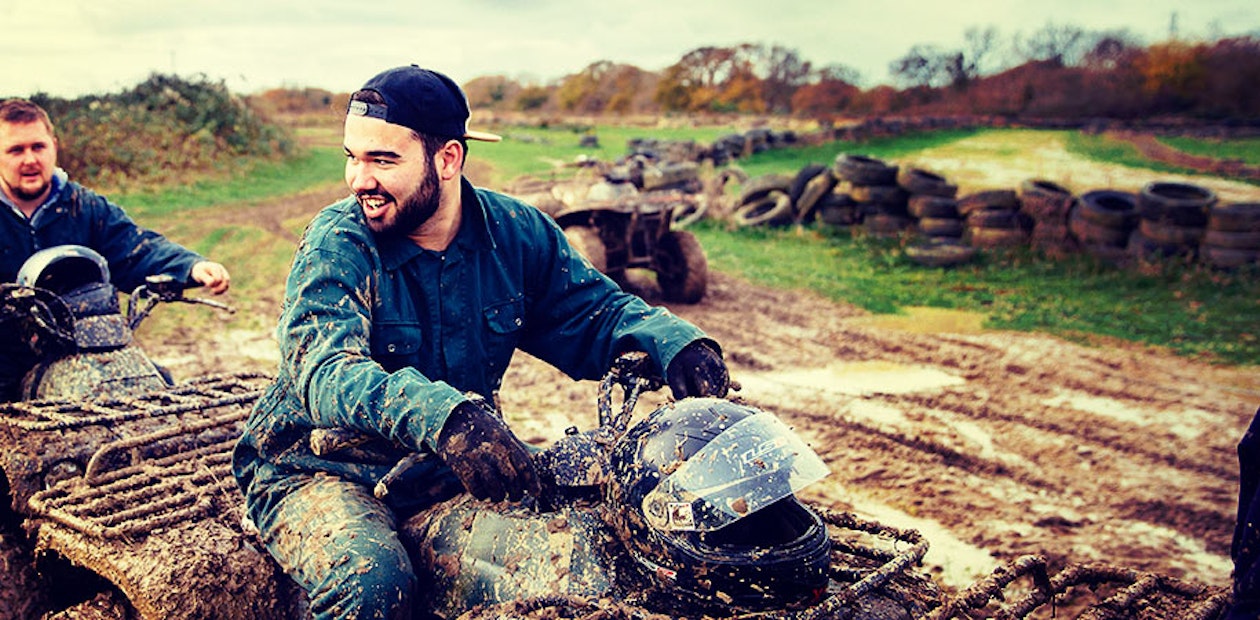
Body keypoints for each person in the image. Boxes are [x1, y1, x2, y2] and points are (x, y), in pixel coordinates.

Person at [231, 64, 730, 619]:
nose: (358, 179)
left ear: (447, 159)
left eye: (382, 160)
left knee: (589, 539)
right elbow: (325, 371)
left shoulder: (515, 232)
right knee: (373, 582)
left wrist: (676, 342)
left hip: (441, 465)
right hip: (316, 468)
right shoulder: (337, 242)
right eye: (353, 156)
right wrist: (447, 417)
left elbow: (595, 310)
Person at [0, 98, 231, 401]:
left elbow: (135, 248)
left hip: (82, 350)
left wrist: (190, 267)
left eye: (38, 147)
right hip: (6, 357)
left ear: (54, 146)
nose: (29, 159)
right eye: (15, 150)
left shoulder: (86, 207)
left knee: (154, 388)